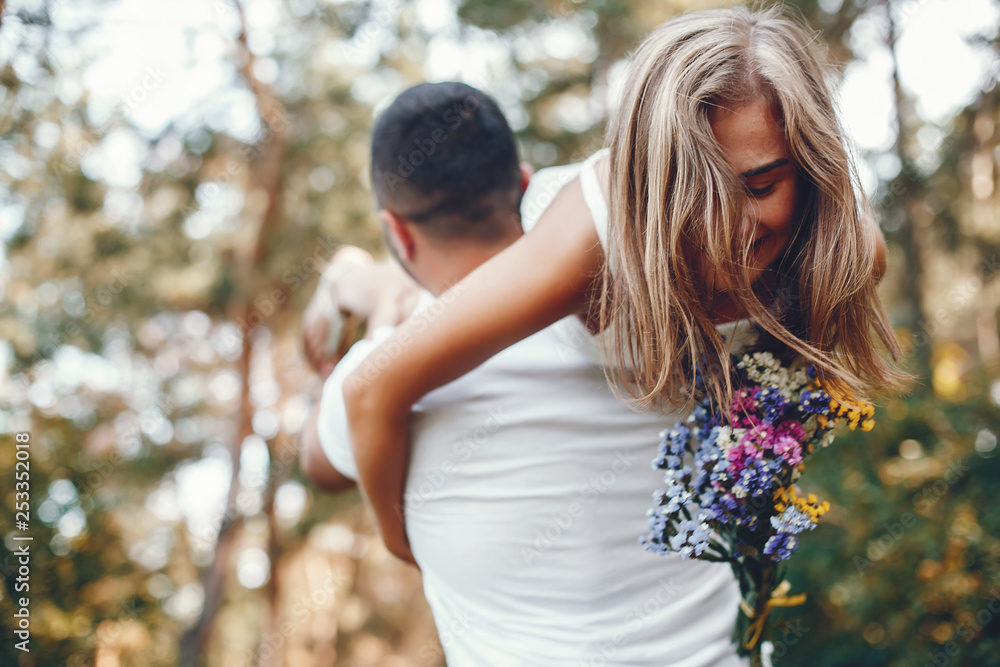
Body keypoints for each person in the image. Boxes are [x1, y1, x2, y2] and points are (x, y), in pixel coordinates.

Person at [342, 6, 907, 569]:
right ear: (647, 181)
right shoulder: (586, 247)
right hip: (529, 245)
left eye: (760, 187)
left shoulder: (846, 255)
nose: (727, 229)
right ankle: (358, 274)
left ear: (811, 171)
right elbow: (371, 387)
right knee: (403, 293)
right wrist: (399, 539)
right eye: (694, 192)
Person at [301, 81, 755, 665]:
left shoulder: (391, 367)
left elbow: (317, 460)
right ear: (521, 182)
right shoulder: (665, 299)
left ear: (399, 232)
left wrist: (366, 309)